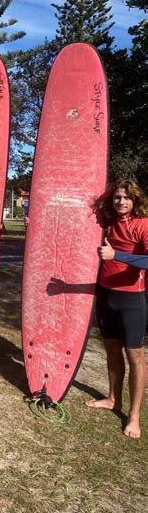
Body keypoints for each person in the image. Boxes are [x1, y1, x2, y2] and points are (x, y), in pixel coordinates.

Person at [87, 179, 148, 438]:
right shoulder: (107, 223)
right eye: (117, 197)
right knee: (111, 349)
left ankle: (134, 416)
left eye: (126, 198)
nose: (121, 201)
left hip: (132, 299)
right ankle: (113, 398)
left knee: (134, 355)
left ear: (135, 200)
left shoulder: (143, 225)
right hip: (106, 296)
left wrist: (118, 256)